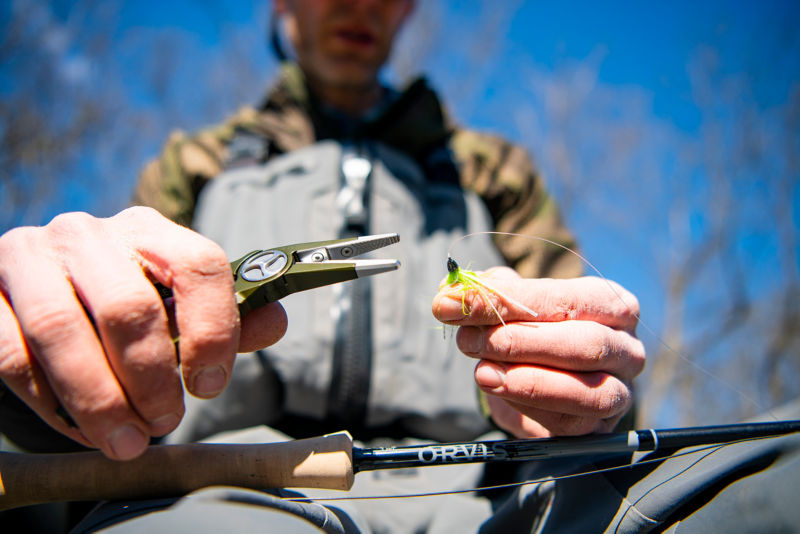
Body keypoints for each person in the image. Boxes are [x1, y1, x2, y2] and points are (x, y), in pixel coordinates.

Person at [0, 0, 648, 531]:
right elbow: (94, 372)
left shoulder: (496, 173)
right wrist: (42, 349)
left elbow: (604, 369)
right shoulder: (196, 166)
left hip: (496, 499)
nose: (359, 4)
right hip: (208, 493)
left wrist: (589, 385)